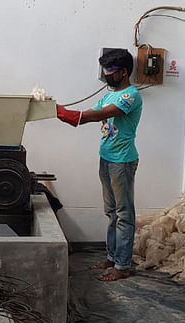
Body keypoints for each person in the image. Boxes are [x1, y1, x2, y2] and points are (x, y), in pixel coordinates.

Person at [55, 48, 143, 281]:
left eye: (110, 72)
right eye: (104, 71)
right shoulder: (109, 94)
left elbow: (100, 114)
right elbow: (94, 111)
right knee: (112, 212)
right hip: (107, 158)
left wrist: (69, 115)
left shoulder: (131, 95)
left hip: (122, 162)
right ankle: (112, 256)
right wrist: (60, 111)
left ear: (123, 73)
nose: (106, 76)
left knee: (124, 214)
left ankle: (122, 266)